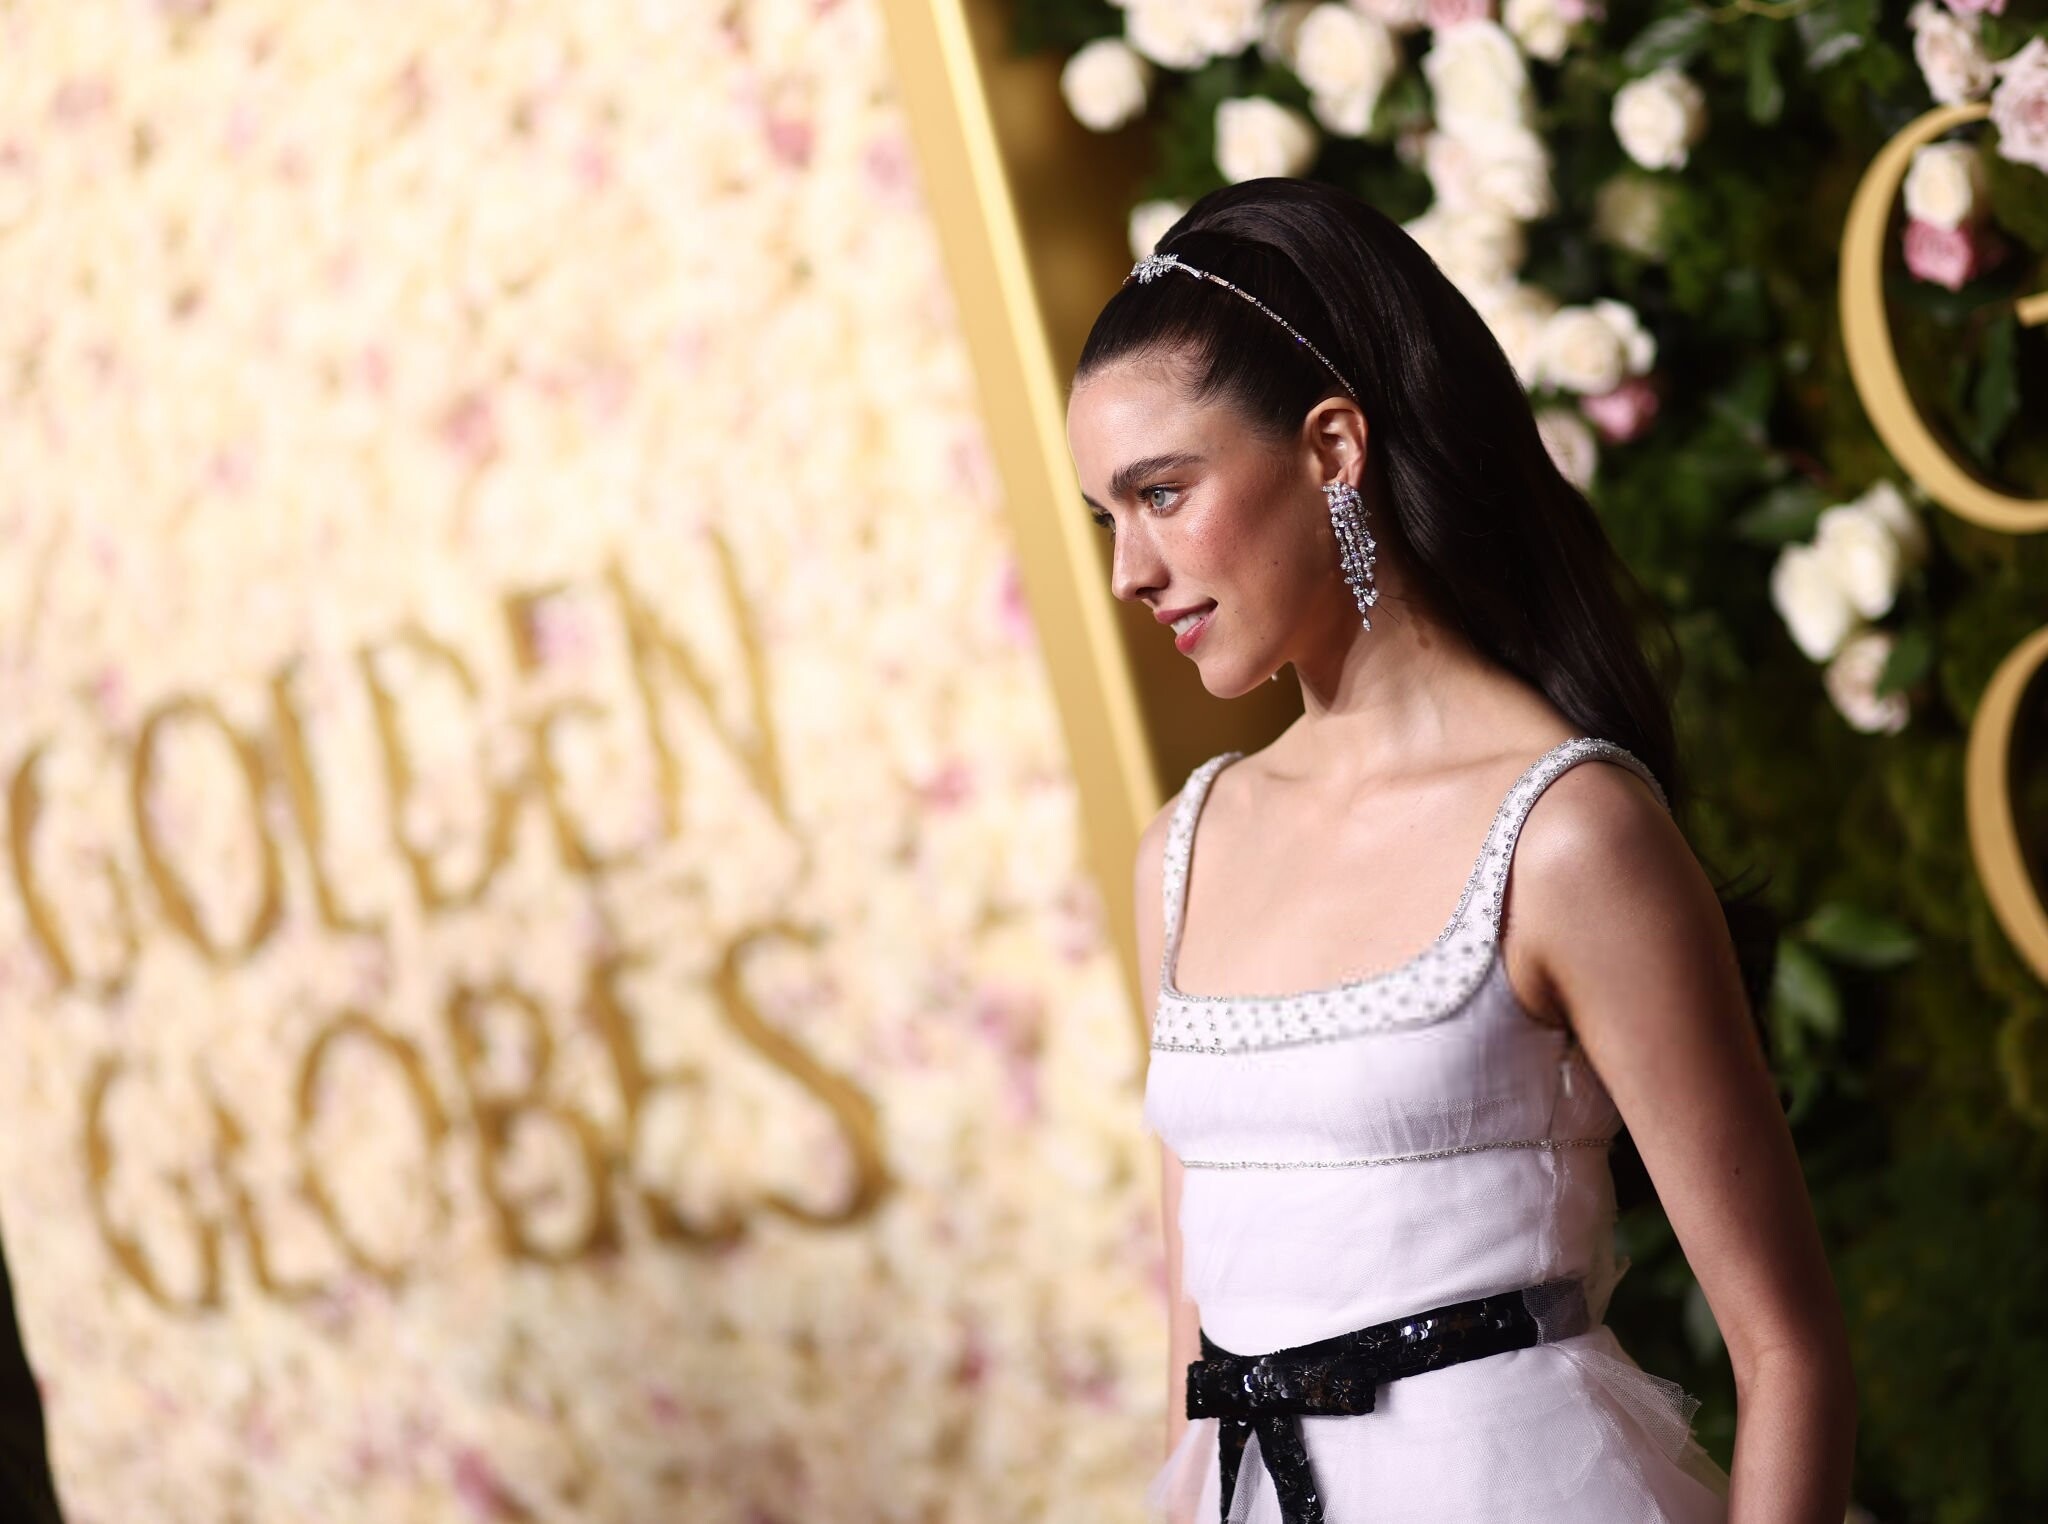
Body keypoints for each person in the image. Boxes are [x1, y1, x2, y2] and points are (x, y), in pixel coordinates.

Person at [1063, 178, 1856, 1523]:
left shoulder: (1567, 833)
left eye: (1165, 494)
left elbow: (1789, 1353)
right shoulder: (1182, 855)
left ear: (1332, 448)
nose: (1130, 569)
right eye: (1109, 517)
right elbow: (1193, 1370)